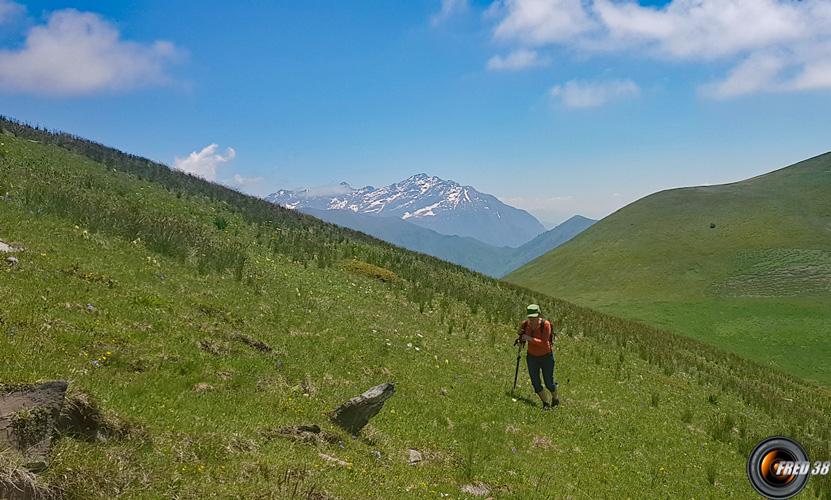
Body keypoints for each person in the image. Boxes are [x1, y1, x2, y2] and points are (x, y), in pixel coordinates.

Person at [516, 304, 558, 409]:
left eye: (534, 317)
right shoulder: (525, 324)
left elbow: (544, 343)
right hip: (532, 357)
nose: (532, 319)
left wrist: (529, 338)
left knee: (549, 383)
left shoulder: (546, 325)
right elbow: (521, 335)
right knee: (535, 382)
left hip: (546, 357)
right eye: (530, 317)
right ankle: (546, 403)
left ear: (539, 315)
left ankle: (555, 399)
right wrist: (521, 338)